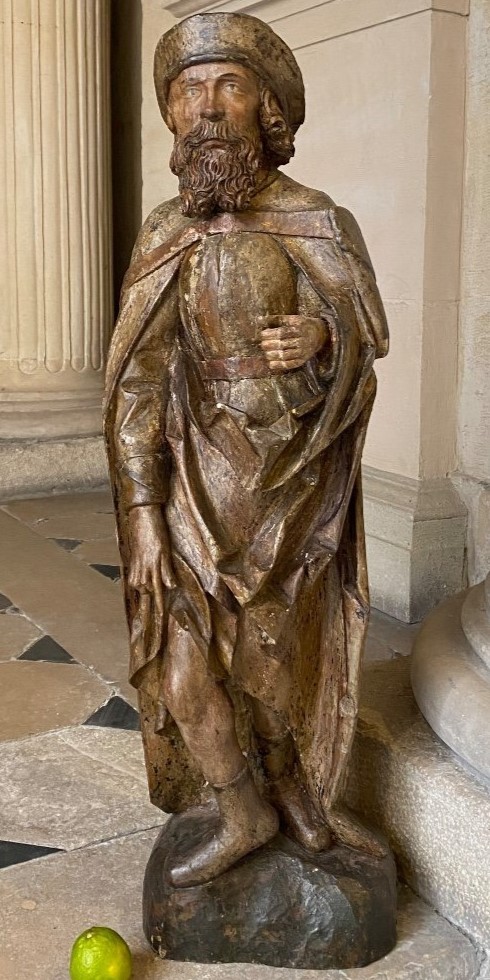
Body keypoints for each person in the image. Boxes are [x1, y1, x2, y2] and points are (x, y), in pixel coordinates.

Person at [104, 12, 389, 889]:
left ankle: (292, 785)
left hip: (285, 484)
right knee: (181, 662)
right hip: (189, 476)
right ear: (172, 114)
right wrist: (143, 511)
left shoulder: (316, 220)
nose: (208, 107)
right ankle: (240, 808)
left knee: (271, 660)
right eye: (191, 89)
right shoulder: (166, 233)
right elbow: (138, 381)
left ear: (266, 106)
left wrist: (323, 338)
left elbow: (365, 336)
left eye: (229, 85)